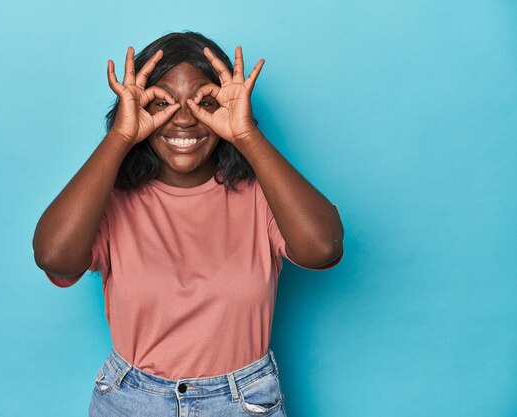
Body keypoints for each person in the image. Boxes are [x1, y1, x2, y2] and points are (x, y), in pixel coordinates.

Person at [33, 31, 344, 417]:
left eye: (203, 102)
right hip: (130, 401)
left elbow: (324, 247)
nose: (182, 119)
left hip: (242, 403)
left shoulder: (264, 197)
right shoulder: (108, 202)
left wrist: (247, 135)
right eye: (163, 102)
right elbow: (52, 255)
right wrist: (121, 136)